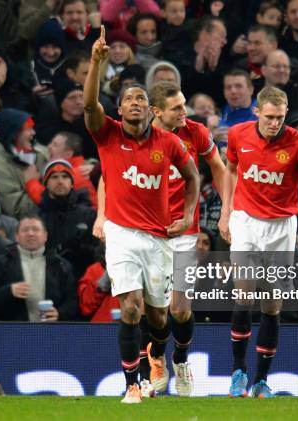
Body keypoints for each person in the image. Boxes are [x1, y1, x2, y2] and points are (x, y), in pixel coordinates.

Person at [84, 26, 200, 404]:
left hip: (159, 237)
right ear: (118, 109)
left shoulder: (167, 142)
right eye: (128, 98)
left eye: (140, 98)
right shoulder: (107, 134)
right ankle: (132, 384)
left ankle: (161, 359)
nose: (134, 102)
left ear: (150, 109)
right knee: (130, 307)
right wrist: (95, 64)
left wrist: (185, 216)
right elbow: (88, 106)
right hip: (121, 233)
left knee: (160, 317)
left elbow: (193, 177)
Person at [94, 81, 227, 396]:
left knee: (179, 309)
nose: (185, 112)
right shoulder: (137, 133)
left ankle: (179, 361)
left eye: (184, 105)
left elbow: (217, 169)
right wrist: (101, 214)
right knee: (140, 307)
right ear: (156, 112)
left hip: (182, 230)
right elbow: (109, 174)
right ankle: (151, 362)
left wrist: (225, 211)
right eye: (177, 108)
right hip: (143, 228)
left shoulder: (194, 133)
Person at [219, 86, 298, 398]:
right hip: (246, 221)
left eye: (280, 117)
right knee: (244, 293)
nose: (274, 123)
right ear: (257, 112)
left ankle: (262, 381)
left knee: (272, 304)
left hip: (281, 227)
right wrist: (226, 212)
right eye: (269, 117)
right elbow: (231, 170)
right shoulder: (238, 135)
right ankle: (238, 372)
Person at [0, 213, 78, 321]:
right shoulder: (2, 262)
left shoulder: (61, 265)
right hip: (12, 332)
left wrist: (60, 314)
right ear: (16, 236)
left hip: (52, 331)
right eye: (25, 230)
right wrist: (9, 291)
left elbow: (72, 301)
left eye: (36, 229)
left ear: (45, 236)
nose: (31, 233)